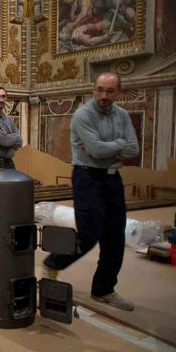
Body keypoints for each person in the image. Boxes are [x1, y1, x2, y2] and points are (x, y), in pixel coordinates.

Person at [42, 72, 139, 311]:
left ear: (118, 91)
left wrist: (109, 149)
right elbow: (96, 151)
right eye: (100, 90)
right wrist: (118, 146)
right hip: (88, 178)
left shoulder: (123, 115)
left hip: (113, 179)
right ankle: (54, 262)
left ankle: (104, 290)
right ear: (93, 89)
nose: (104, 95)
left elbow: (134, 148)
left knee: (115, 237)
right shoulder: (83, 115)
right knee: (89, 234)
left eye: (109, 91)